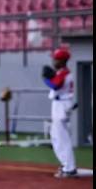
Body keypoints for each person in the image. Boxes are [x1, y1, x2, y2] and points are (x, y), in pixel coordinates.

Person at [42, 47, 78, 178]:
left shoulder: (64, 72)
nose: (53, 60)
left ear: (62, 60)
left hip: (61, 105)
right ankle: (67, 165)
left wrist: (45, 79)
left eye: (56, 58)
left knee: (61, 138)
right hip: (60, 104)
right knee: (57, 137)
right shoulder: (62, 72)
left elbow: (55, 86)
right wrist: (50, 77)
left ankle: (69, 167)